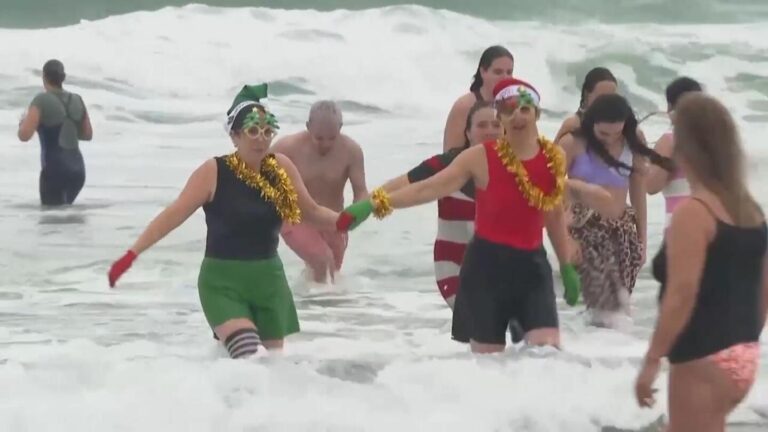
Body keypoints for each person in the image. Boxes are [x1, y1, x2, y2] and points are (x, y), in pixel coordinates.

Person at [338, 78, 581, 354]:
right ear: (500, 116)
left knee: (546, 354)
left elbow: (553, 214)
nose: (517, 116)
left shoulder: (554, 158)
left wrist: (565, 264)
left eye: (524, 109)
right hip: (486, 269)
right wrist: (373, 205)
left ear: (536, 114)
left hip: (533, 268)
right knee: (490, 366)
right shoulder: (479, 157)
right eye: (508, 109)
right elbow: (428, 188)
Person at [106, 84, 339, 358]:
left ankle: (219, 394)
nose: (261, 139)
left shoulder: (282, 168)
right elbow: (173, 215)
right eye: (252, 131)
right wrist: (132, 254)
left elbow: (311, 212)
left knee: (272, 370)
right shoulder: (214, 172)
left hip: (269, 282)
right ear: (235, 136)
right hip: (222, 282)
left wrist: (353, 217)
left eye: (267, 131)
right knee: (250, 355)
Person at [636, 92, 767, 432]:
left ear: (686, 148)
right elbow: (764, 285)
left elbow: (682, 293)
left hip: (701, 355)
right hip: (742, 356)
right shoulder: (750, 210)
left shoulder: (694, 213)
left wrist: (652, 359)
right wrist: (747, 342)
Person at [560, 93, 672, 327]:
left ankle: (604, 354)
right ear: (591, 124)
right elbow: (552, 190)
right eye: (603, 134)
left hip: (622, 231)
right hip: (584, 230)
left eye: (616, 133)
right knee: (605, 302)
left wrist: (641, 241)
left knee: (616, 305)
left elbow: (638, 192)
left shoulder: (633, 141)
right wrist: (565, 237)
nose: (610, 140)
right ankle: (601, 349)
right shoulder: (572, 143)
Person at [271, 100, 367, 284]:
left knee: (331, 275)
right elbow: (255, 176)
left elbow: (361, 191)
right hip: (296, 218)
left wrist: (357, 213)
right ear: (308, 127)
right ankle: (317, 307)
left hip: (333, 221)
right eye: (319, 138)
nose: (325, 144)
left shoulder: (352, 151)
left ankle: (314, 309)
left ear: (340, 127)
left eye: (332, 137)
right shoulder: (287, 147)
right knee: (323, 261)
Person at [17, 59, 93, 206]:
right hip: (78, 171)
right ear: (62, 78)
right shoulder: (77, 99)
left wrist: (22, 123)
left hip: (55, 170)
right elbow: (87, 134)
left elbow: (24, 135)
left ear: (44, 77)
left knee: (51, 222)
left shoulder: (41, 100)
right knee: (65, 220)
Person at [645, 77, 703, 228]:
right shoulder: (714, 140)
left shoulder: (672, 141)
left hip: (690, 226)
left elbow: (651, 186)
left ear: (669, 107)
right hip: (698, 226)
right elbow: (651, 186)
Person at [442, 45, 513, 152]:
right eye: (498, 72)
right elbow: (449, 153)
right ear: (483, 72)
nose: (505, 78)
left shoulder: (515, 106)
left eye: (509, 72)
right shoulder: (464, 105)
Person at [554, 67, 617, 144]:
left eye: (611, 98)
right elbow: (550, 154)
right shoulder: (573, 125)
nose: (606, 103)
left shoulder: (619, 128)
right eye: (601, 97)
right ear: (587, 95)